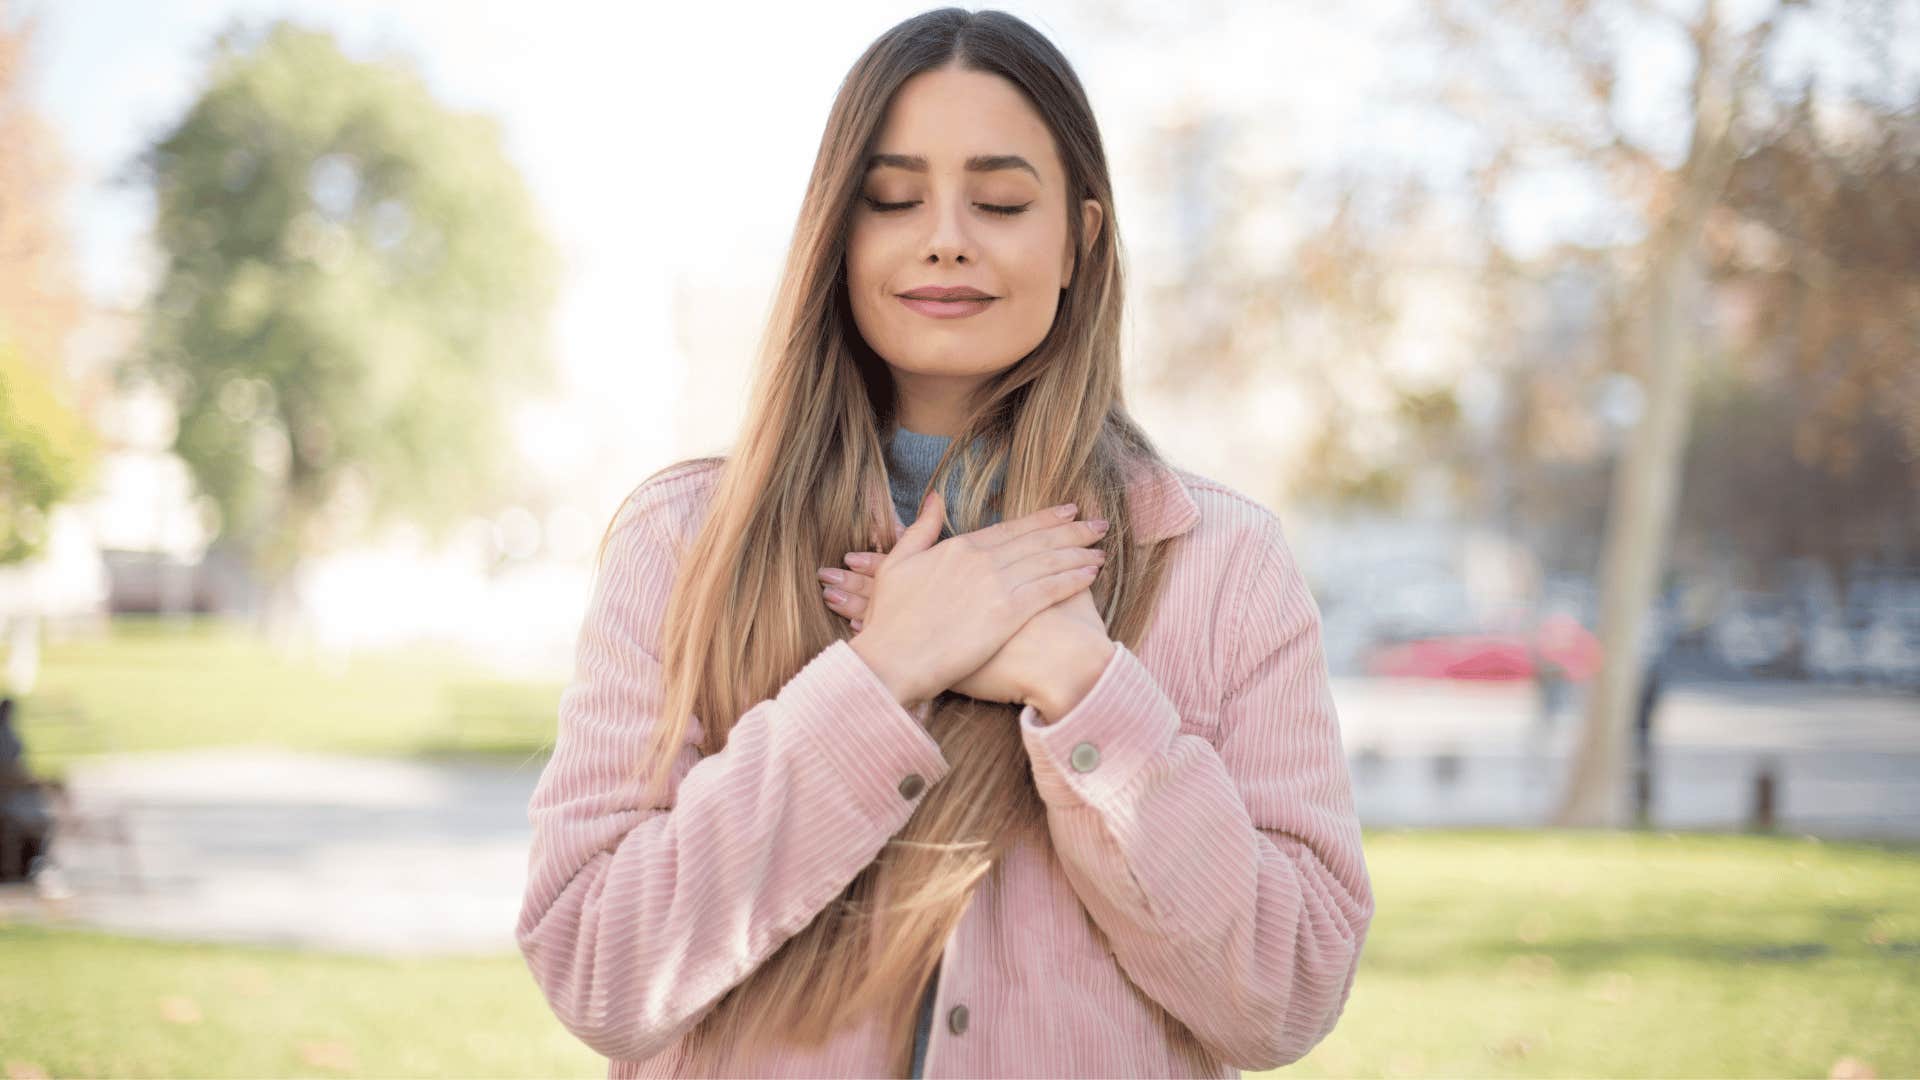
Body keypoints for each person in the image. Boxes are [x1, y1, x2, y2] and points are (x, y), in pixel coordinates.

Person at [515, 9, 1374, 1078]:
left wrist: (1081, 682)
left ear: (1082, 244)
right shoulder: (683, 542)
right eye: (893, 197)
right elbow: (600, 965)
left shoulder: (1225, 563)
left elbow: (1285, 997)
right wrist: (882, 674)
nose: (947, 235)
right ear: (838, 234)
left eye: (1003, 200)